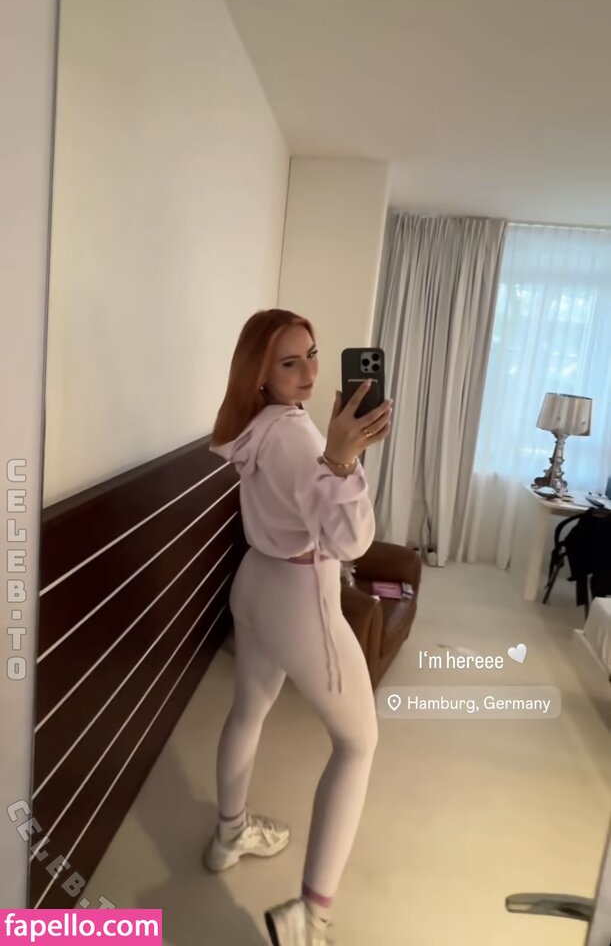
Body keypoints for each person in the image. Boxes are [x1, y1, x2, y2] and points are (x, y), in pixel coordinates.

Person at [205, 308, 392, 946]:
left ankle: (230, 835)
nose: (310, 371)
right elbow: (351, 540)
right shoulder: (296, 436)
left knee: (248, 710)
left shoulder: (257, 424)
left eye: (312, 354)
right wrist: (340, 460)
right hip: (298, 594)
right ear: (261, 373)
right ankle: (310, 916)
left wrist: (336, 453)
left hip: (256, 580)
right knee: (358, 744)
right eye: (290, 362)